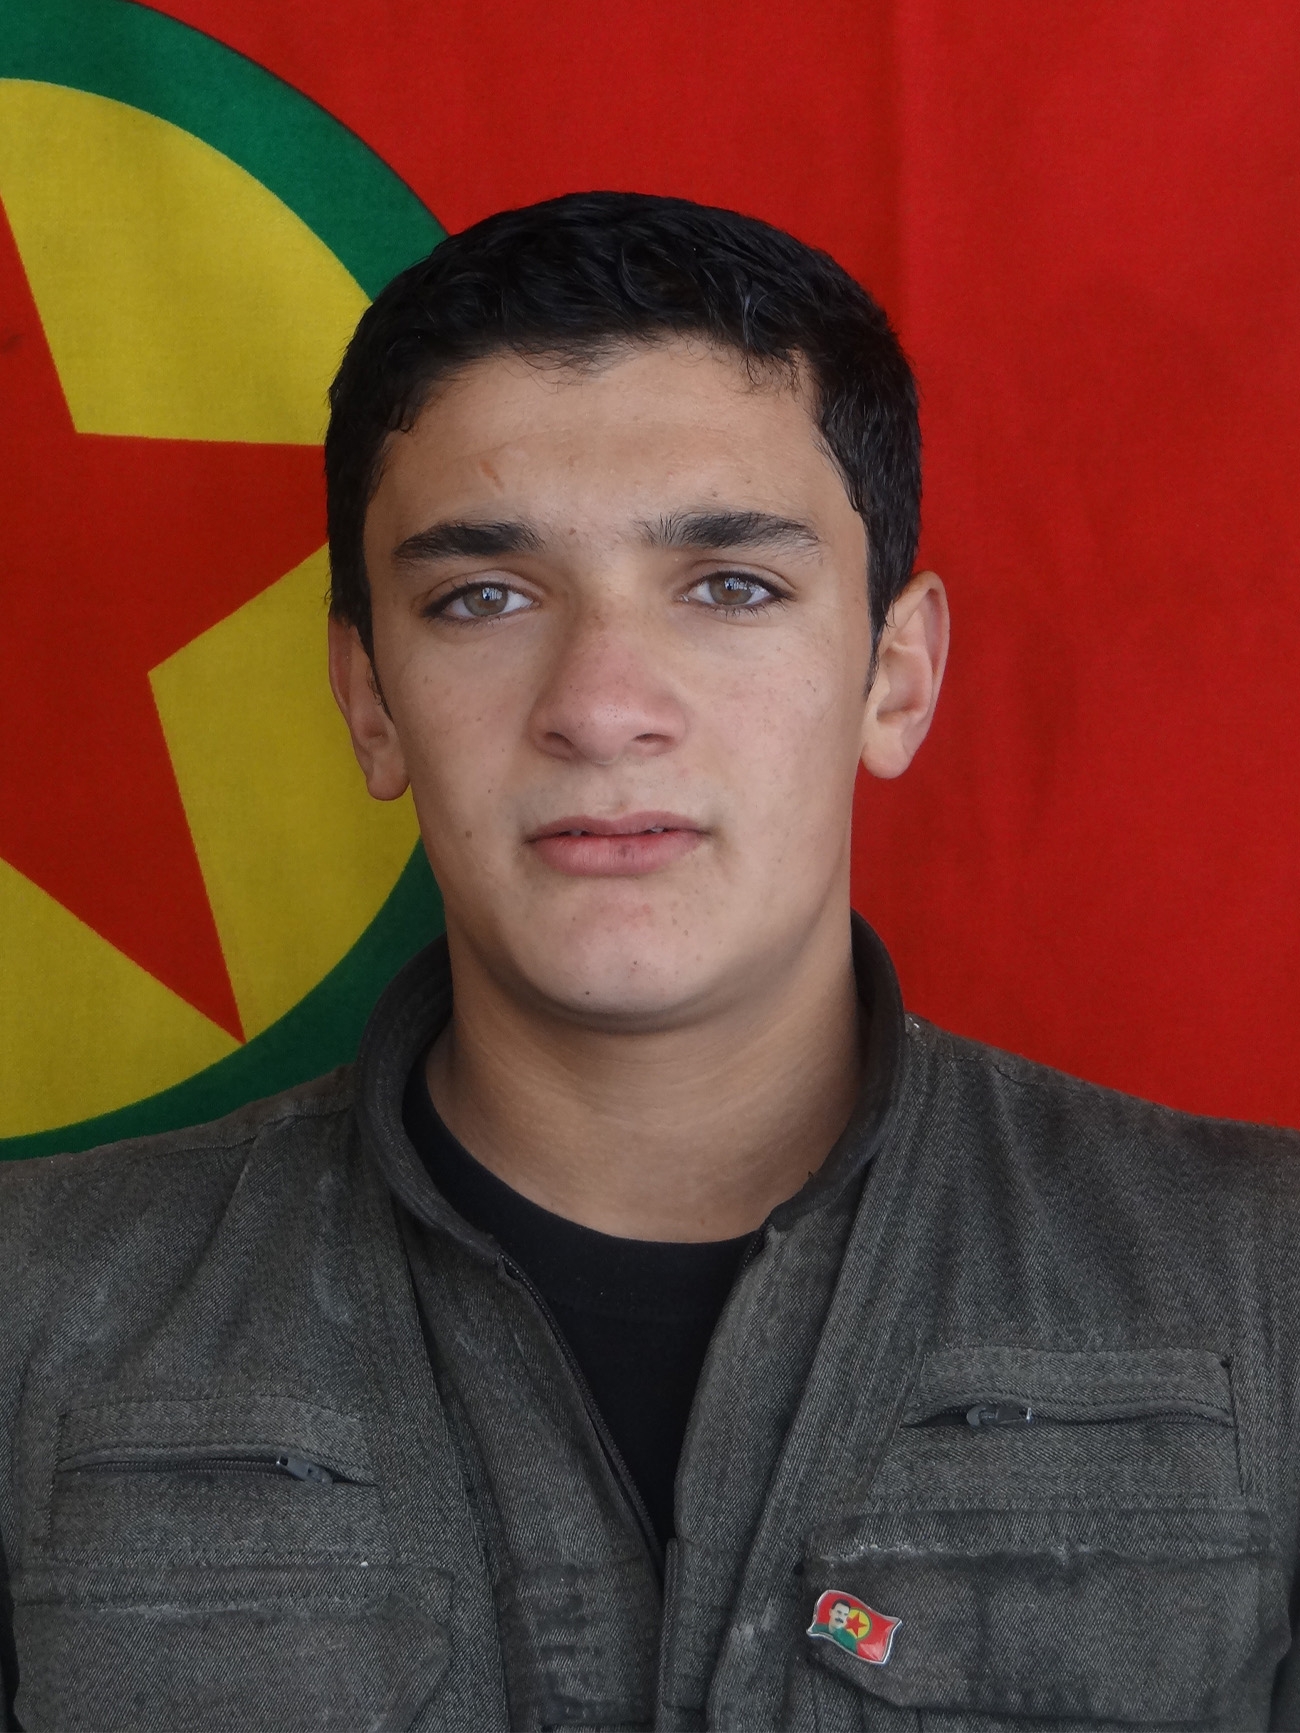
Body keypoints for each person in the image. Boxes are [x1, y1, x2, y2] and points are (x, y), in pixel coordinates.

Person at [2, 191, 1298, 1733]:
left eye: (731, 585)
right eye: (484, 596)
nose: (602, 702)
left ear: (895, 677)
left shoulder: (1264, 1285)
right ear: (369, 700)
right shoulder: (33, 1311)